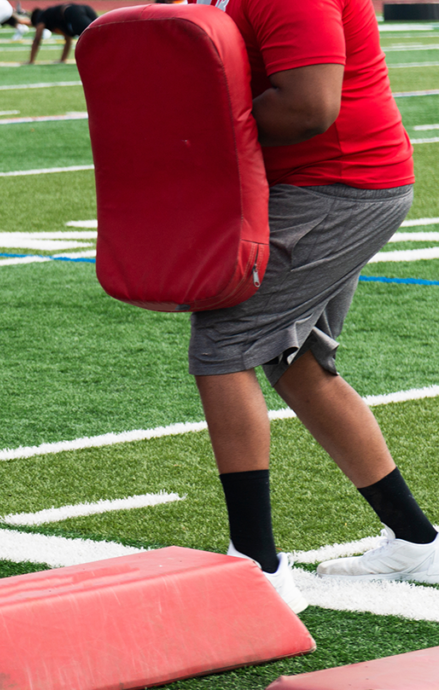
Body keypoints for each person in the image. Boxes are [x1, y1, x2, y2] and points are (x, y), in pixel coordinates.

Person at [186, 0, 435, 611]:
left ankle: (257, 567)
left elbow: (309, 104)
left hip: (335, 184)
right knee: (296, 362)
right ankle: (416, 542)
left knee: (223, 345)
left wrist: (191, 127)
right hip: (322, 183)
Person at [28, 3, 96, 64]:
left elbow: (37, 39)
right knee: (100, 32)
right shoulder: (53, 16)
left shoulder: (40, 17)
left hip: (73, 12)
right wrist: (62, 60)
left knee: (92, 35)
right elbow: (68, 39)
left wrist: (31, 60)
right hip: (83, 7)